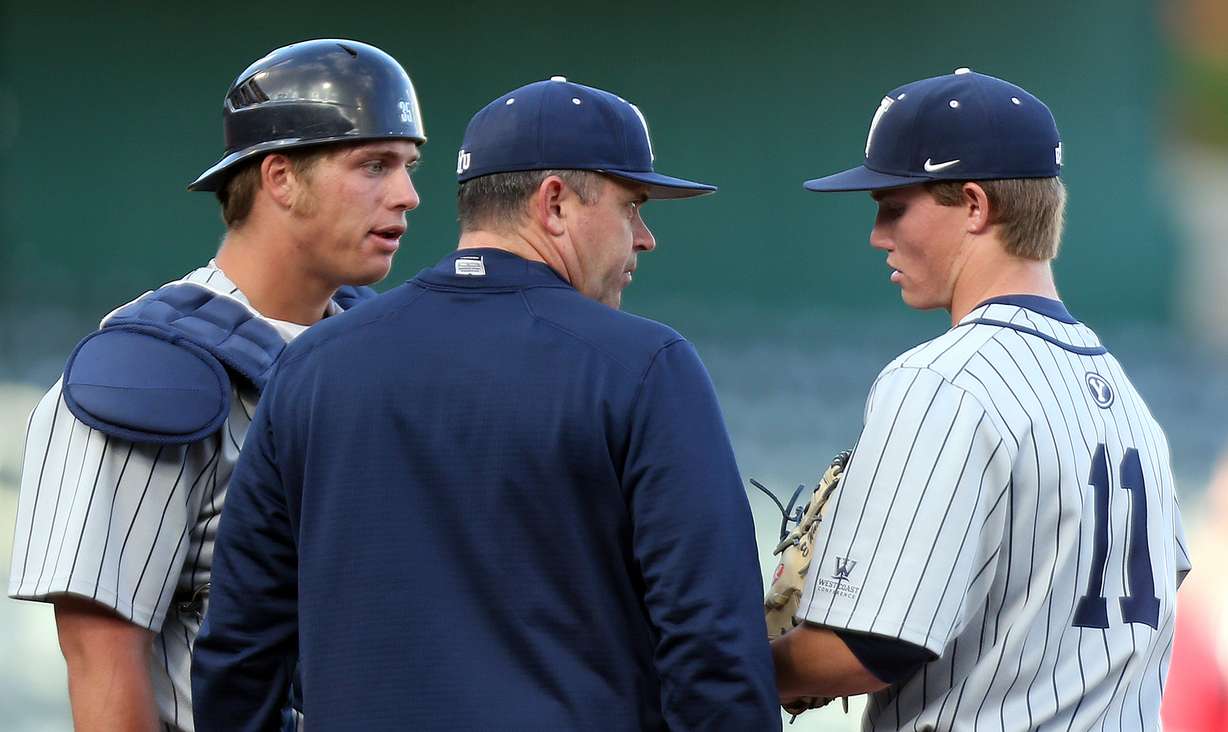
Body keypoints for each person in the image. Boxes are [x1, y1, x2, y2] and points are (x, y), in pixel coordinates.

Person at [191, 76, 780, 731]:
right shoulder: (645, 368)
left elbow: (238, 654)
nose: (643, 237)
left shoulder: (313, 367)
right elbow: (714, 652)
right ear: (554, 203)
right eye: (631, 204)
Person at [6, 38, 425, 731]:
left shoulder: (390, 352)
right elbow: (103, 663)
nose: (407, 194)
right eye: (373, 165)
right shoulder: (145, 377)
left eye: (409, 166)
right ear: (280, 178)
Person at [771, 68, 1191, 729]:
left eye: (892, 206)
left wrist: (730, 664)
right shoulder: (1125, 399)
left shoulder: (943, 381)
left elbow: (873, 646)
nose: (878, 234)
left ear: (973, 204)